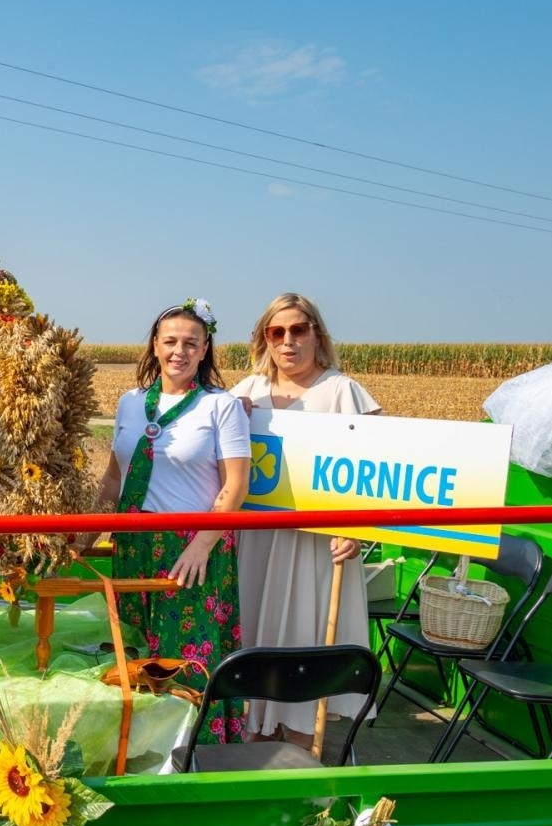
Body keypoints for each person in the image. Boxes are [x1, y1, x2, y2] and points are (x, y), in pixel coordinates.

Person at [96, 298, 251, 744]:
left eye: (190, 343)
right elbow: (112, 479)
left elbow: (236, 486)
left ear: (205, 350)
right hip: (134, 541)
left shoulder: (220, 407)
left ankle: (195, 750)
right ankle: (140, 748)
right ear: (155, 345)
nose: (179, 351)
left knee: (187, 656)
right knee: (134, 648)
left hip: (192, 546)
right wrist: (81, 534)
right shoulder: (129, 403)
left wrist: (201, 545)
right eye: (170, 341)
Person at [233, 293, 382, 748]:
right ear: (264, 339)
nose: (288, 341)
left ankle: (299, 755)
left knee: (305, 637)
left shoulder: (342, 391)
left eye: (299, 330)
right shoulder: (247, 392)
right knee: (255, 633)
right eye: (276, 333)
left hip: (316, 544)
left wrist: (357, 530)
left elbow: (380, 470)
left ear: (317, 332)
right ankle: (253, 744)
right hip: (257, 539)